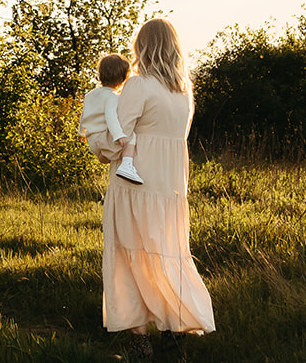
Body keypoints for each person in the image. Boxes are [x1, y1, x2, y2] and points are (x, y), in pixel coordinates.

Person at [103, 18, 215, 357]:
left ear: (143, 46)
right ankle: (175, 325)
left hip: (134, 185)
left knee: (129, 257)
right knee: (167, 255)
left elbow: (114, 139)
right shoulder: (184, 92)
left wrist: (95, 141)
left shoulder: (138, 86)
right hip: (170, 189)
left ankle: (140, 341)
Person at [81, 53, 143, 184]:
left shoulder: (91, 94)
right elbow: (111, 117)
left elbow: (85, 114)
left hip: (92, 139)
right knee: (131, 135)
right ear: (122, 78)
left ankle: (106, 156)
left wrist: (82, 133)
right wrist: (119, 135)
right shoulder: (112, 97)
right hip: (103, 138)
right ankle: (127, 164)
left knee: (107, 155)